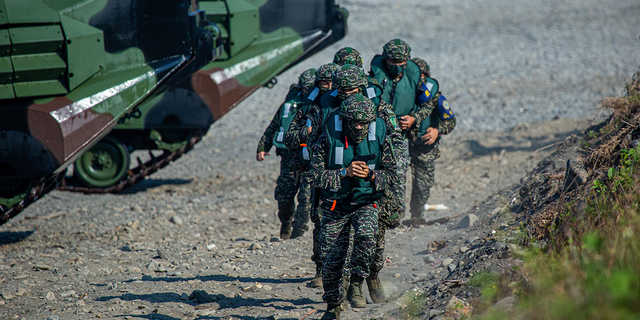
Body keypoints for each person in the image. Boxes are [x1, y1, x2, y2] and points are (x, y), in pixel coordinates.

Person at [310, 94, 397, 320]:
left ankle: (357, 282)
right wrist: (343, 172)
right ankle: (334, 306)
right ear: (345, 119)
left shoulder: (379, 136)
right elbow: (315, 177)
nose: (359, 126)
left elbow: (392, 176)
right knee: (331, 261)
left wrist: (370, 175)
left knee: (368, 237)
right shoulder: (327, 138)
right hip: (335, 206)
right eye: (355, 122)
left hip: (366, 201)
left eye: (364, 122)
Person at [283, 63, 340, 288]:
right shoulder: (309, 105)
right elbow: (289, 136)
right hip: (316, 170)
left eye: (330, 83)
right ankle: (321, 269)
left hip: (342, 170)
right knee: (319, 220)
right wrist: (303, 133)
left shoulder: (345, 104)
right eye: (323, 83)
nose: (327, 87)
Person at [369, 39, 436, 221]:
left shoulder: (414, 76)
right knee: (373, 172)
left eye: (401, 63)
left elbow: (428, 104)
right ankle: (374, 213)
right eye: (393, 63)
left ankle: (397, 216)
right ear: (385, 60)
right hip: (375, 133)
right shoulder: (375, 74)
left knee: (398, 173)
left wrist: (414, 118)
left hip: (400, 134)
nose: (397, 67)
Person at [256, 68, 316, 239]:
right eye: (303, 88)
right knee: (284, 196)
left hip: (310, 159)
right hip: (289, 157)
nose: (306, 91)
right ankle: (286, 224)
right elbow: (274, 126)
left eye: (309, 88)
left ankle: (297, 233)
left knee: (306, 198)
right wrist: (262, 147)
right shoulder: (288, 104)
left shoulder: (320, 105)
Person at [408, 58, 456, 219]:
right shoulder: (403, 93)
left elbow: (450, 120)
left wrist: (437, 131)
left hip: (424, 146)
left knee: (423, 184)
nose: (420, 79)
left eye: (423, 76)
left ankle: (417, 215)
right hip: (403, 143)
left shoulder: (435, 96)